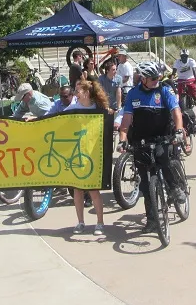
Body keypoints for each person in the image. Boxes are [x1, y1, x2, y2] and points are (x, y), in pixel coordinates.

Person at [117, 62, 186, 234]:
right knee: (146, 185)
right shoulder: (133, 94)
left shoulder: (164, 90)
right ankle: (152, 221)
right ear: (143, 78)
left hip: (162, 137)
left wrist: (178, 131)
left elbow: (176, 112)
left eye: (158, 77)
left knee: (164, 157)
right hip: (141, 141)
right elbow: (126, 120)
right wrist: (122, 139)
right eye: (153, 78)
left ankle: (174, 187)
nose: (157, 80)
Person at [64, 80, 109, 235]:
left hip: (93, 153)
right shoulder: (74, 107)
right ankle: (80, 222)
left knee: (93, 190)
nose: (76, 93)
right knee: (77, 189)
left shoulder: (99, 109)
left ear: (87, 93)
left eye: (78, 90)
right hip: (77, 152)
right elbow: (57, 118)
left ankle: (100, 222)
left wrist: (111, 116)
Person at [172, 49, 196, 122]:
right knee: (180, 96)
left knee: (194, 96)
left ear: (187, 56)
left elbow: (194, 71)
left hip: (190, 79)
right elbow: (173, 72)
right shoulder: (177, 62)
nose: (184, 58)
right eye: (182, 56)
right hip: (181, 80)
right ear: (180, 56)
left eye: (185, 56)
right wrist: (171, 79)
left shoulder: (191, 61)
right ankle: (181, 113)